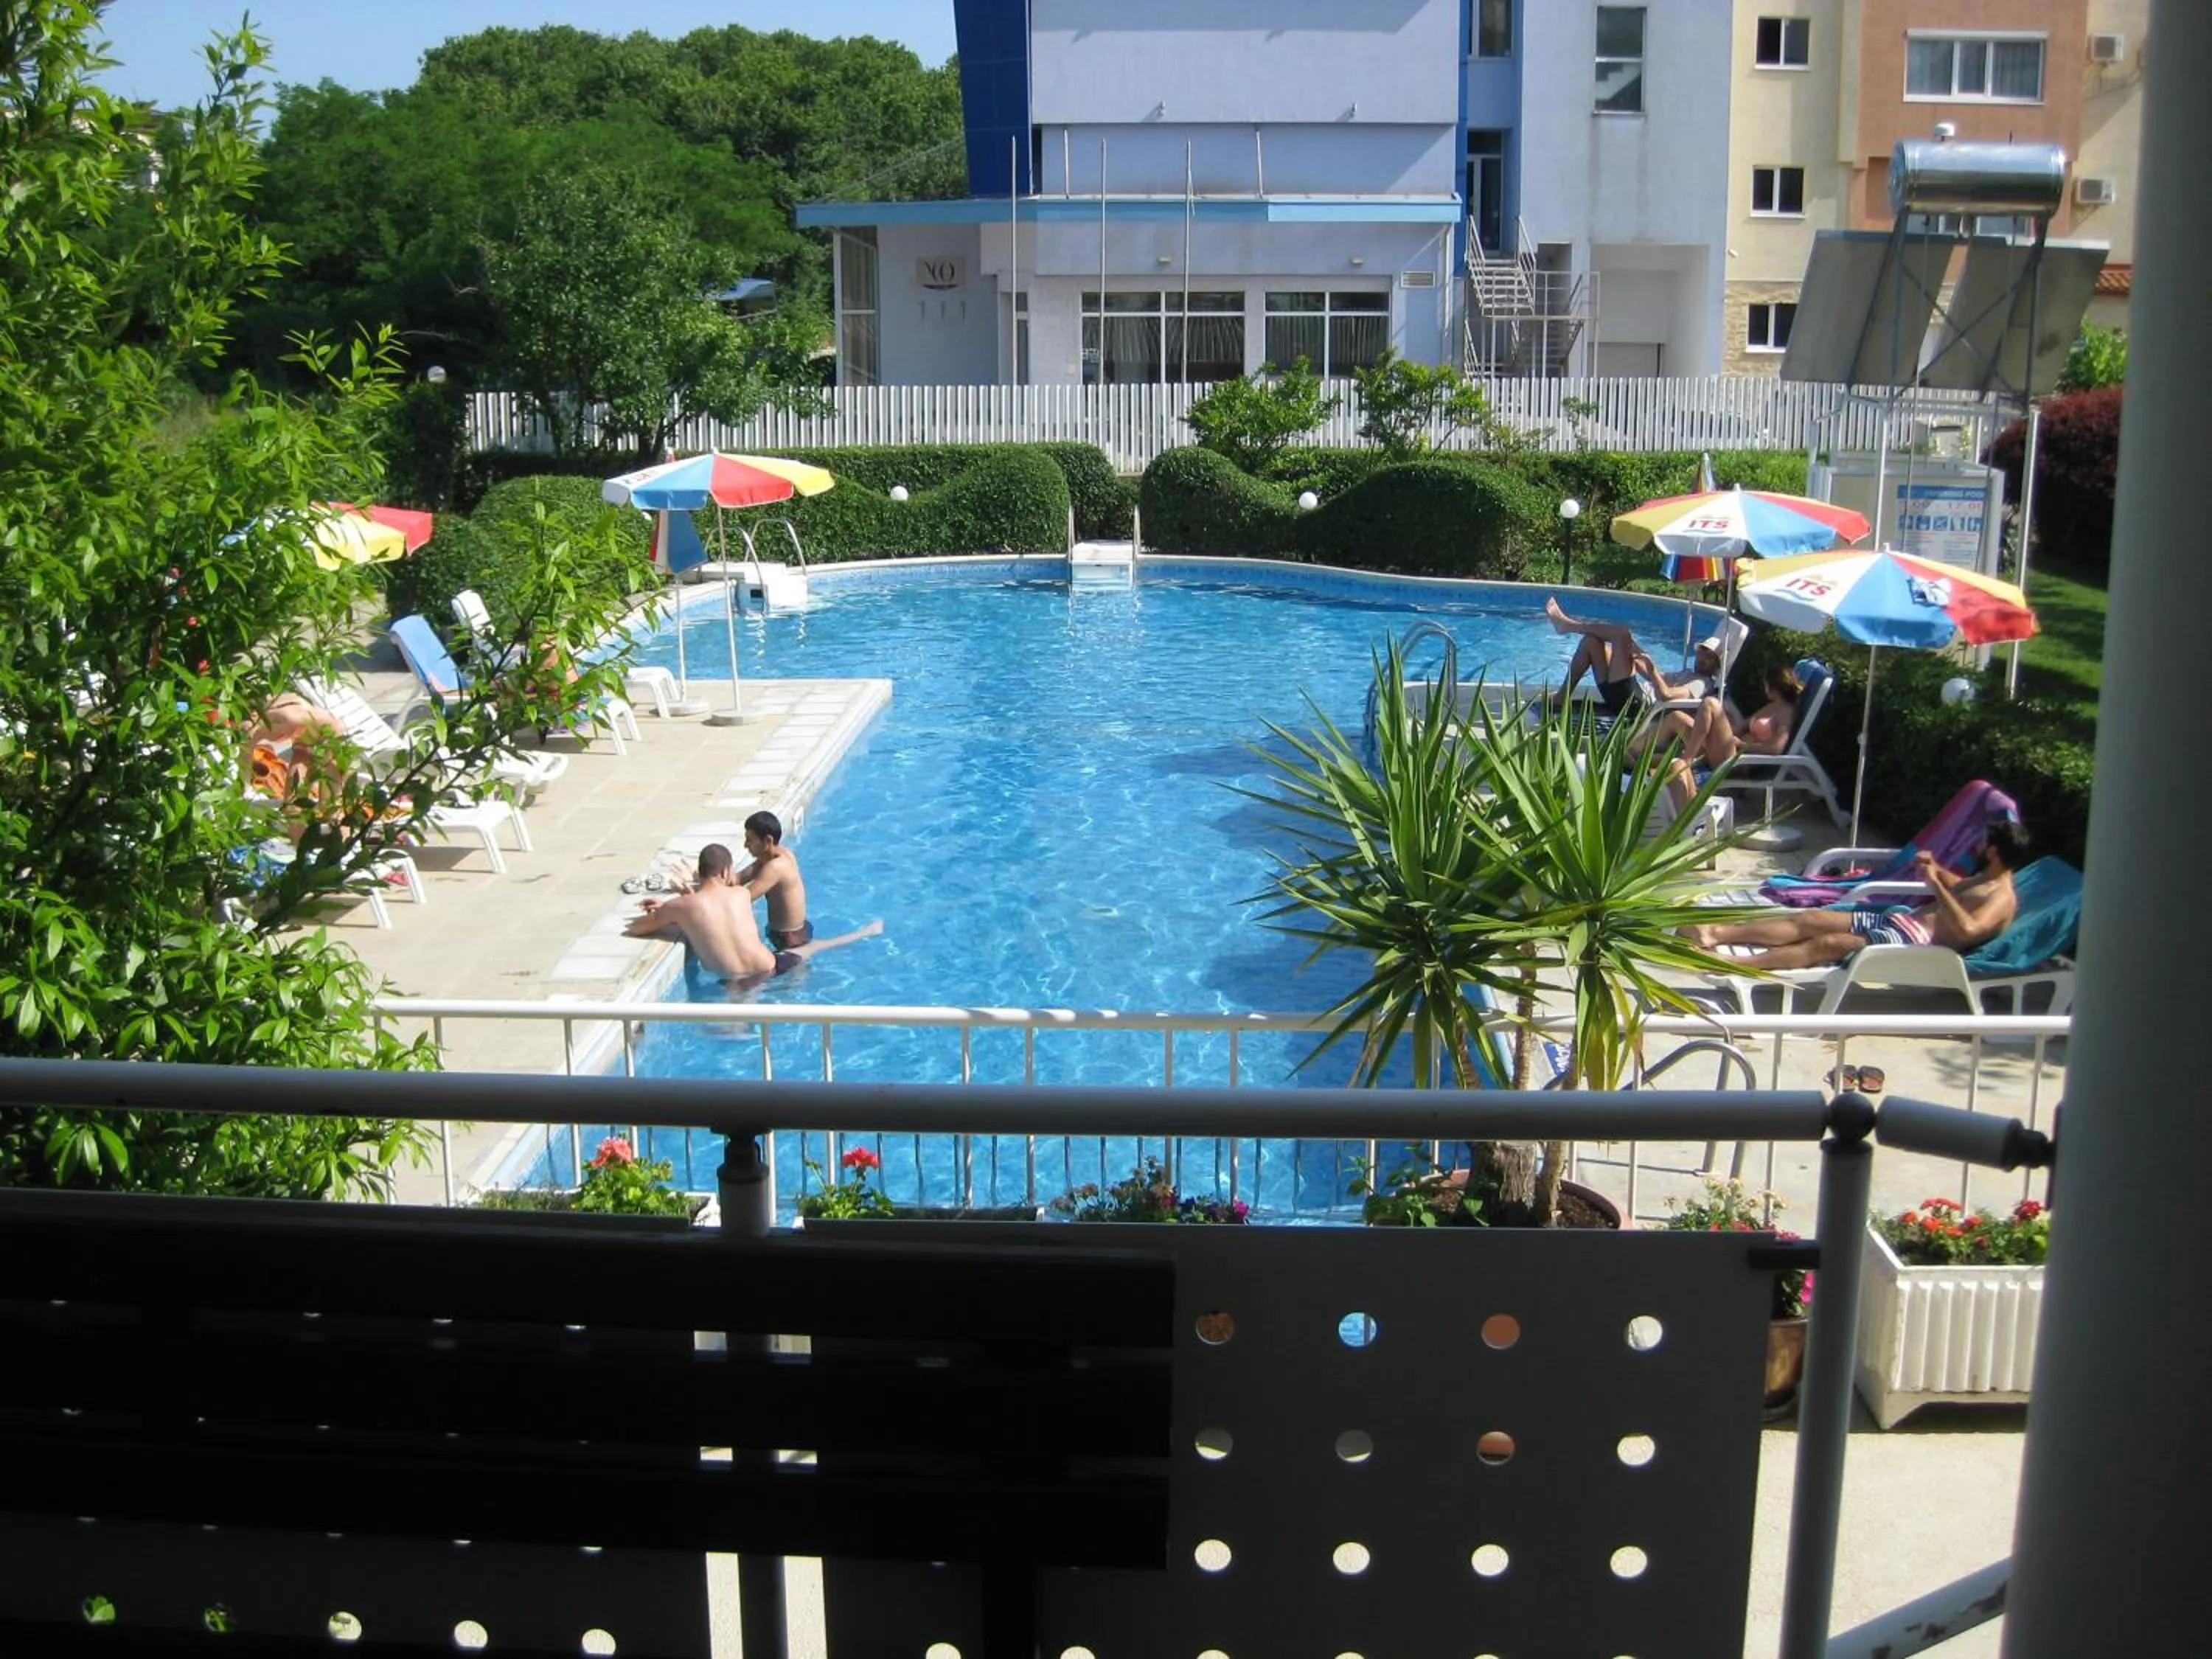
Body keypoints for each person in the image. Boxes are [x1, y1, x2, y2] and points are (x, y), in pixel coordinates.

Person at [1685, 821, 2030, 970]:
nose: (1978, 844)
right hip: (1901, 922)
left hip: (1918, 942)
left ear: (1996, 852)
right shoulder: (1987, 876)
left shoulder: (2003, 898)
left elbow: (1969, 930)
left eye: (1985, 842)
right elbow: (1960, 890)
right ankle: (1717, 933)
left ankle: (1741, 964)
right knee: (1812, 919)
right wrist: (1935, 869)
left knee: (1830, 943)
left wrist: (1936, 886)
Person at [627, 841, 880, 983]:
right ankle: (865, 932)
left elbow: (637, 928)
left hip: (732, 981)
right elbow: (715, 908)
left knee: (741, 991)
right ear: (726, 872)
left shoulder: (680, 908)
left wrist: (664, 910)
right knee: (814, 947)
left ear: (701, 872)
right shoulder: (740, 895)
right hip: (769, 968)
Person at [733, 810, 812, 950]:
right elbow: (738, 878)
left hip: (789, 940)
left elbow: (741, 899)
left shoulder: (776, 868)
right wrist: (710, 878)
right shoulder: (777, 854)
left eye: (750, 840)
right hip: (793, 932)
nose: (746, 845)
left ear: (767, 841)